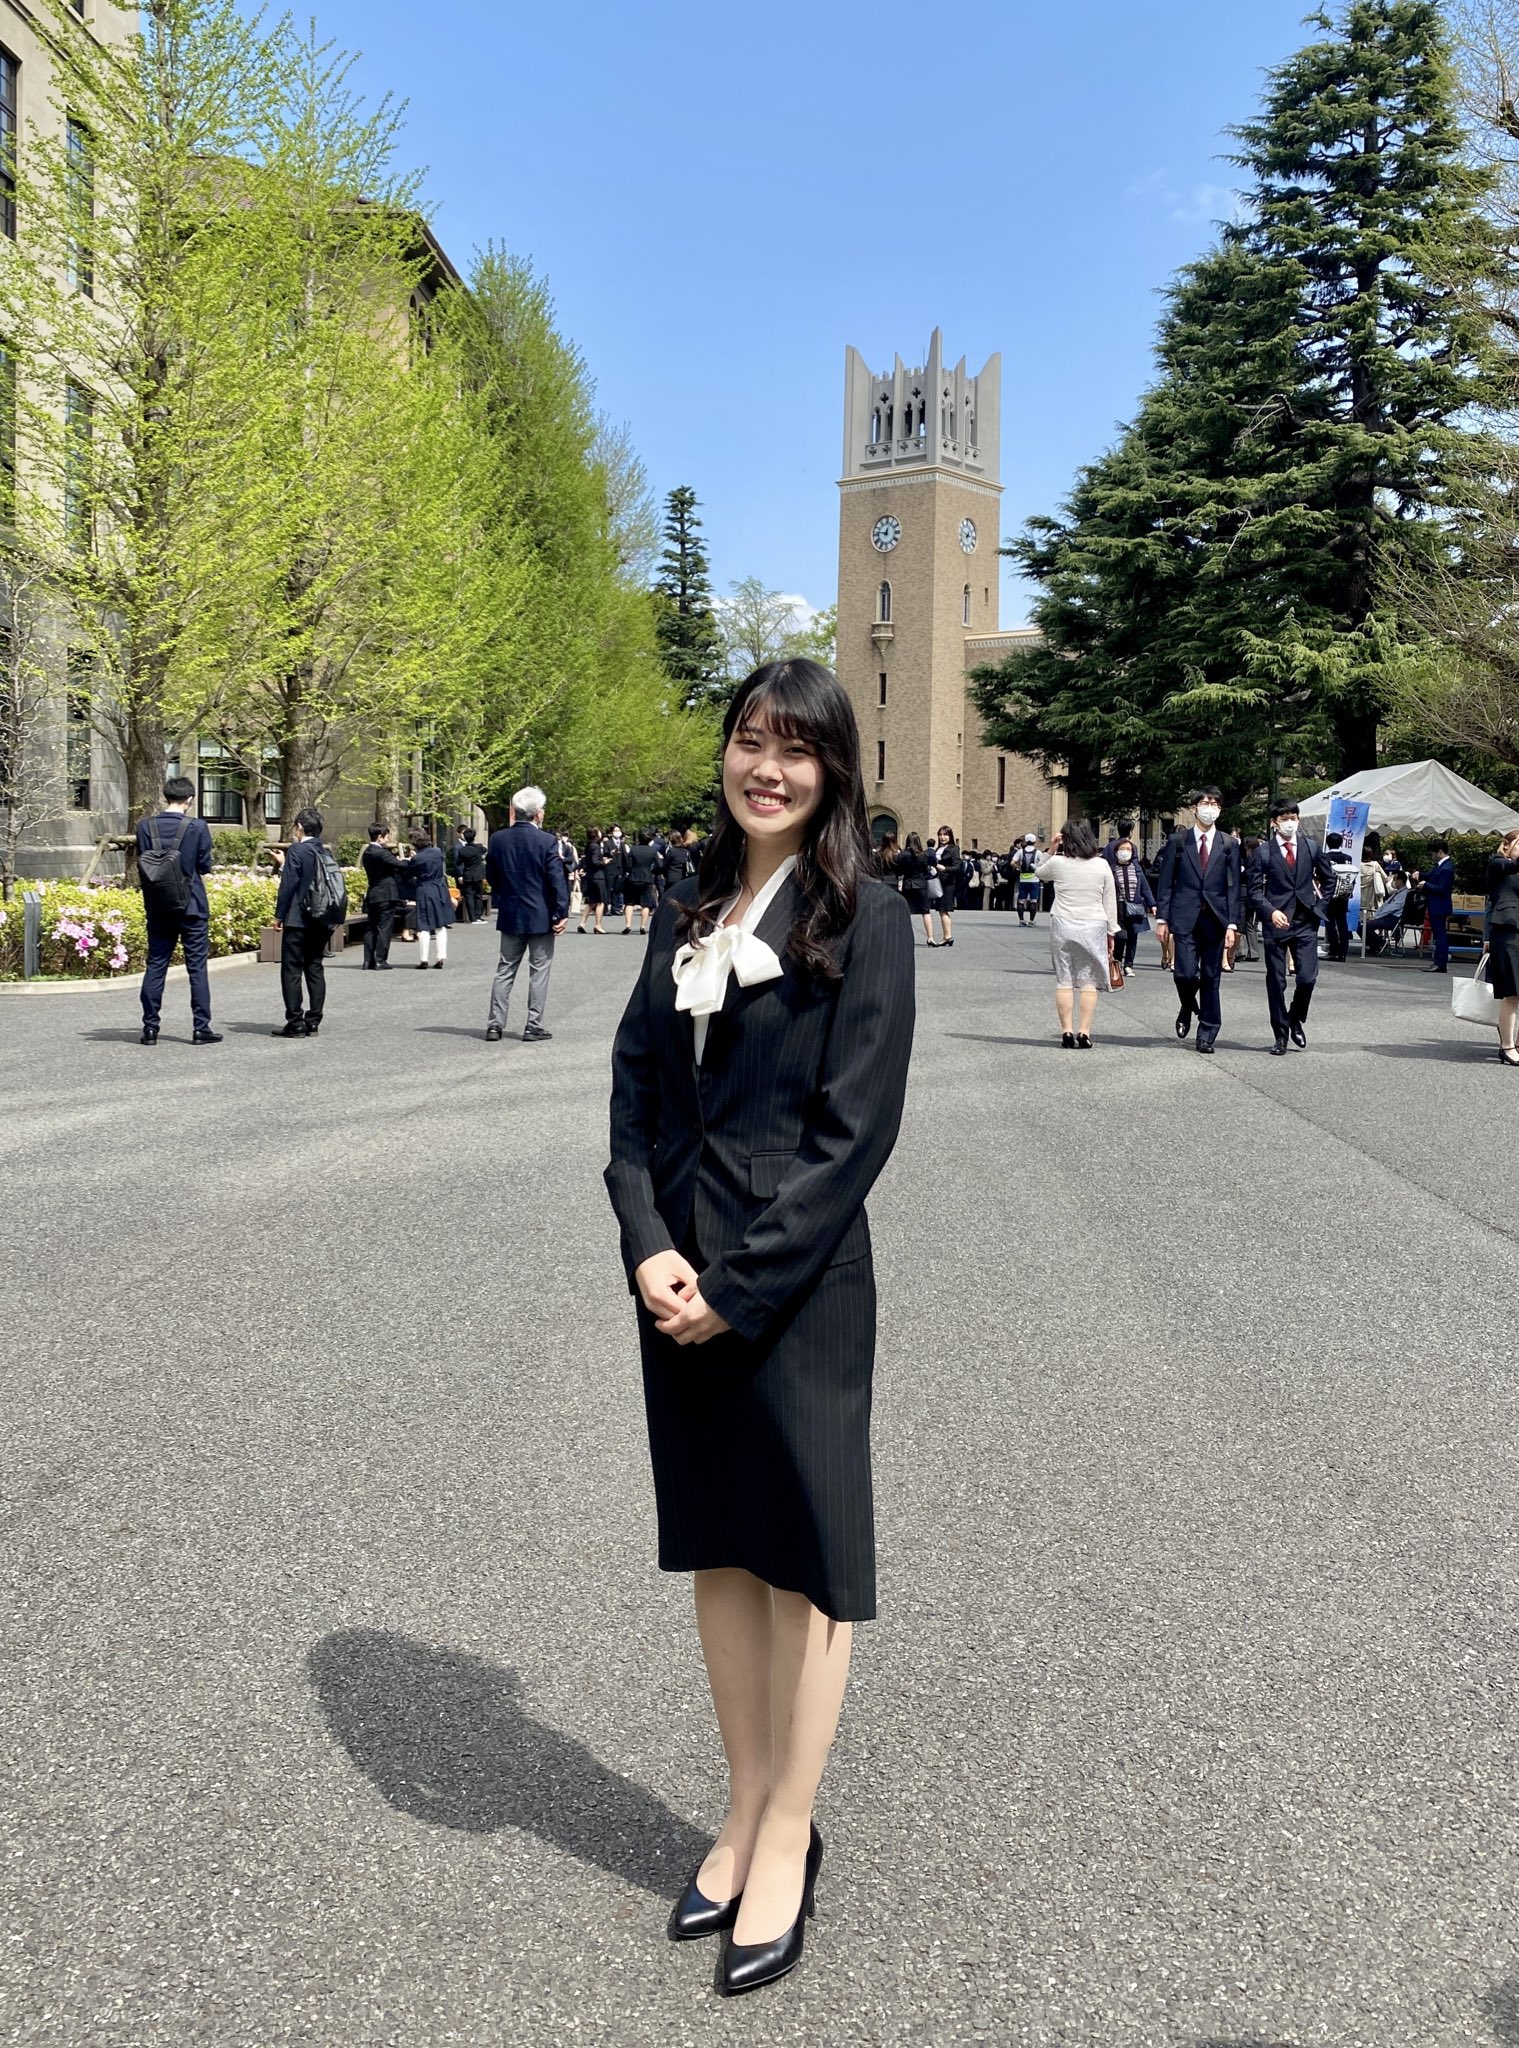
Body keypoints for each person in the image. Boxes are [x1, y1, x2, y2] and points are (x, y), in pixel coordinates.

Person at [604, 658, 914, 1997]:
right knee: (723, 1553)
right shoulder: (687, 904)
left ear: (833, 770)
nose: (764, 767)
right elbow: (632, 1100)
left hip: (793, 1294)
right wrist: (649, 1244)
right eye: (746, 740)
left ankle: (788, 1831)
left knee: (808, 1559)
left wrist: (736, 1280)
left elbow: (852, 1138)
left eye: (794, 748)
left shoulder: (865, 917)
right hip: (677, 1288)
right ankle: (738, 1807)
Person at [1154, 787, 1242, 1055]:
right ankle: (1188, 1005)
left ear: (1220, 810)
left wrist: (1232, 924)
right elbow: (1166, 882)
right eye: (1205, 803)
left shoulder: (1229, 844)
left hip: (1215, 918)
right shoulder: (1178, 841)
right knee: (1184, 973)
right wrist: (1162, 918)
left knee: (1212, 977)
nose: (1209, 807)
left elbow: (1234, 887)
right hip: (1184, 916)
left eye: (1214, 803)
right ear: (1194, 808)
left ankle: (1207, 1032)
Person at [1245, 799, 1337, 1054]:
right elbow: (1253, 892)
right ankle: (1280, 1035)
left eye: (1293, 817)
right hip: (1277, 922)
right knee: (1276, 981)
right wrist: (1270, 911)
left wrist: (1320, 907)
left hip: (1306, 921)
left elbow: (1330, 879)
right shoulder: (1263, 852)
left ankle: (1294, 1017)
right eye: (1284, 818)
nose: (1290, 822)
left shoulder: (1310, 847)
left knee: (1307, 978)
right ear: (1275, 823)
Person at [135, 773, 220, 1046]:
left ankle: (150, 1027)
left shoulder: (145, 826)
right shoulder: (197, 826)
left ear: (165, 797)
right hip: (192, 904)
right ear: (190, 800)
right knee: (196, 968)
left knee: (156, 964)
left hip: (159, 905)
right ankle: (201, 1028)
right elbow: (204, 865)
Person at [484, 784, 568, 1042]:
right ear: (538, 814)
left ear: (515, 811)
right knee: (539, 970)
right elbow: (556, 879)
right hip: (541, 914)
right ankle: (533, 1025)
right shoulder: (546, 841)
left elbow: (492, 876)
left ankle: (495, 1025)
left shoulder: (498, 839)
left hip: (511, 912)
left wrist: (503, 896)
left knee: (505, 969)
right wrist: (560, 911)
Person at [1038, 818, 1120, 1046]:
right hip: (1093, 923)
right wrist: (1112, 931)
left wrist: (1051, 849)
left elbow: (1038, 872)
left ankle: (1066, 1031)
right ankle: (1084, 1032)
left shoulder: (1058, 863)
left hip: (1063, 922)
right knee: (1088, 981)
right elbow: (1109, 900)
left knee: (1064, 979)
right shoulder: (1101, 865)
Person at [270, 808, 330, 1038]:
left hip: (298, 918)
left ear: (300, 827)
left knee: (292, 969)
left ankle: (295, 1022)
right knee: (314, 966)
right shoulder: (324, 851)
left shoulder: (297, 849)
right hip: (321, 918)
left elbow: (289, 885)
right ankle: (313, 1020)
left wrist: (279, 915)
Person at [1487, 829, 1519, 1067]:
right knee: (1512, 993)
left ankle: (1517, 1043)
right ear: (1507, 845)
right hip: (1507, 933)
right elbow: (1507, 867)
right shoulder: (1497, 863)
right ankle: (1507, 1046)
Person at [404, 826, 455, 968]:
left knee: (424, 925)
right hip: (439, 888)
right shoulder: (437, 852)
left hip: (424, 889)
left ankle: (423, 959)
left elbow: (408, 874)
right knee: (440, 924)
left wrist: (410, 859)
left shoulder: (417, 858)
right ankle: (441, 957)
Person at [1110, 829, 1156, 975]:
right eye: (1122, 849)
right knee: (1120, 936)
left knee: (1132, 936)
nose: (1125, 851)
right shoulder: (1111, 869)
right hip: (1117, 908)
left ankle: (1128, 964)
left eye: (1129, 849)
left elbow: (1145, 887)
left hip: (1134, 906)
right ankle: (1116, 961)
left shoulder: (1136, 869)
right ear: (1116, 851)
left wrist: (1152, 904)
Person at [360, 824, 405, 969]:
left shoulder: (367, 852)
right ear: (380, 837)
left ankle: (368, 961)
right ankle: (380, 959)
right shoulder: (381, 853)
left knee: (371, 928)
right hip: (386, 894)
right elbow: (399, 864)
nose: (388, 839)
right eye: (386, 836)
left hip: (373, 893)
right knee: (384, 928)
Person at [890, 831, 936, 943]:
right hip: (921, 884)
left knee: (906, 912)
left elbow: (900, 871)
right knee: (926, 911)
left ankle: (905, 937)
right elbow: (926, 871)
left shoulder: (902, 855)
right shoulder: (923, 855)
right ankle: (930, 937)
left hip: (908, 884)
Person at [1421, 839, 1455, 972]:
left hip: (1440, 906)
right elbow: (1431, 876)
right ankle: (1438, 961)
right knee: (1438, 934)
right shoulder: (1440, 866)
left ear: (1439, 852)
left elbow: (1442, 888)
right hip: (1436, 905)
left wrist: (1425, 885)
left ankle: (1440, 963)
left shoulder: (1447, 868)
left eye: (1432, 853)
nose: (1431, 856)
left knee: (1440, 935)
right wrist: (1420, 875)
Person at [621, 828, 663, 936]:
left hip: (633, 878)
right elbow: (660, 865)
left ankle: (628, 925)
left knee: (629, 903)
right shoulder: (653, 851)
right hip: (647, 878)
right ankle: (643, 926)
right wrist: (652, 871)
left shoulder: (633, 849)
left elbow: (628, 865)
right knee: (646, 904)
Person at [1322, 830, 1355, 962]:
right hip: (1343, 893)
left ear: (1328, 843)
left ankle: (1334, 950)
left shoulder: (1324, 858)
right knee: (1342, 923)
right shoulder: (1348, 858)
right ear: (1341, 843)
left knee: (1329, 922)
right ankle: (1343, 952)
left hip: (1329, 893)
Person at [930, 825, 961, 945]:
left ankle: (948, 936)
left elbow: (957, 867)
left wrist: (944, 868)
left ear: (950, 836)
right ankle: (946, 935)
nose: (942, 837)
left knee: (944, 909)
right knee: (941, 909)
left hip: (947, 882)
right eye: (940, 834)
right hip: (938, 880)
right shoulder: (938, 849)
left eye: (945, 834)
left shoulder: (953, 849)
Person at [577, 827, 610, 934]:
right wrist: (605, 862)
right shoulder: (595, 846)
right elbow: (595, 861)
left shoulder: (588, 846)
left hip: (590, 876)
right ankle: (598, 925)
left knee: (591, 901)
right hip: (598, 876)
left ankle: (582, 923)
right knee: (601, 902)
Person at [454, 828, 487, 924]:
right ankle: (478, 916)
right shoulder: (479, 847)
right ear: (474, 837)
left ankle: (471, 917)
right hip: (478, 874)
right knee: (478, 895)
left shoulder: (463, 850)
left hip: (467, 873)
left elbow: (458, 862)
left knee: (469, 895)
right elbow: (485, 850)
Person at [1014, 834, 1043, 924]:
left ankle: (1021, 920)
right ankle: (1031, 920)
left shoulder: (1020, 851)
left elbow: (1012, 862)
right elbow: (1043, 863)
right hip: (1034, 879)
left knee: (1021, 900)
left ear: (1025, 841)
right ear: (1034, 842)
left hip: (1023, 879)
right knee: (1033, 900)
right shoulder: (1038, 852)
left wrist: (1019, 867)